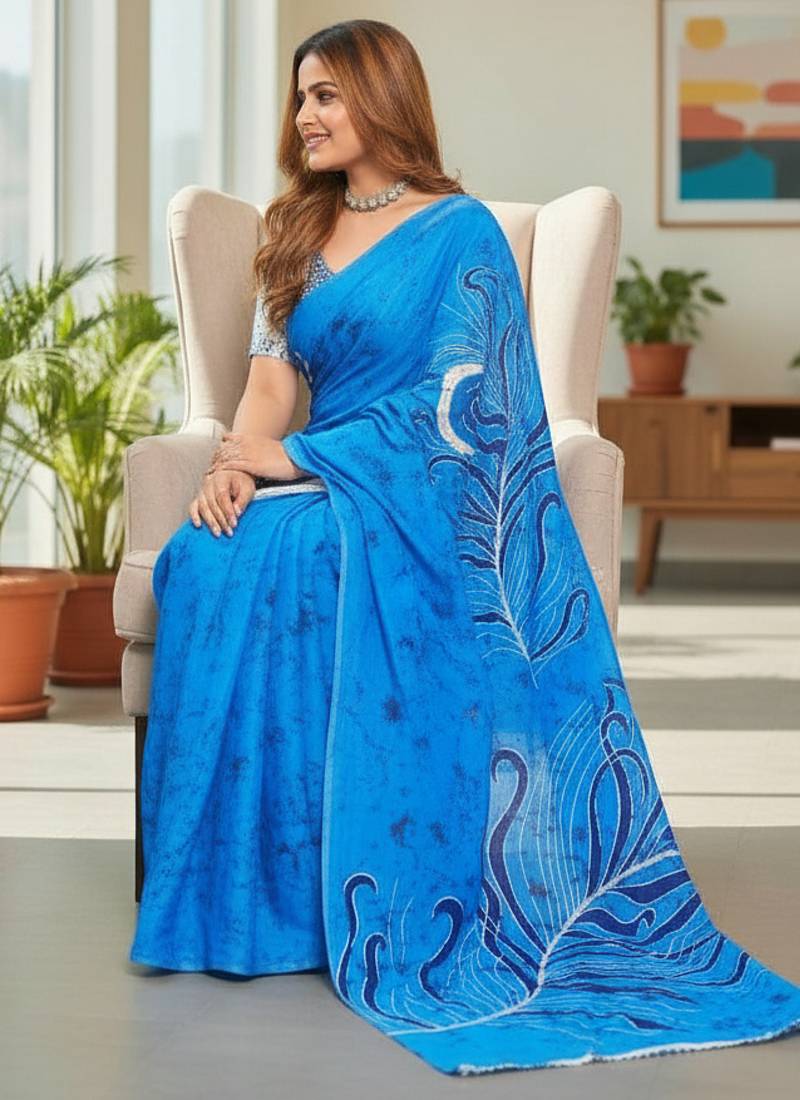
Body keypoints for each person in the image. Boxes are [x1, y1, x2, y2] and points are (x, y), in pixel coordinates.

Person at [128, 18, 800, 1077]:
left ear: (381, 95)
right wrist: (235, 462)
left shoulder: (462, 232)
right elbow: (265, 385)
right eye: (300, 97)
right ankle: (244, 899)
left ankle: (360, 893)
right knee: (210, 557)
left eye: (325, 95)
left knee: (304, 557)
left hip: (420, 493)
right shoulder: (291, 231)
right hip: (318, 469)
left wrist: (298, 457)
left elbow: (470, 411)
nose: (304, 116)